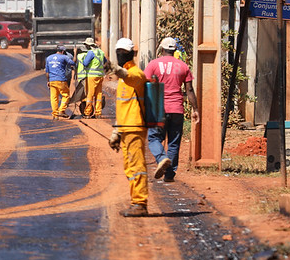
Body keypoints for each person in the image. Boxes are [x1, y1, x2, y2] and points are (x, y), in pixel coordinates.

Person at [144, 36, 201, 182]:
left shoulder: (153, 64)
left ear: (162, 49)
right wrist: (195, 109)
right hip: (177, 109)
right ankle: (169, 174)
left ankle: (162, 158)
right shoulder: (183, 66)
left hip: (158, 109)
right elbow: (189, 90)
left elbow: (145, 86)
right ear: (175, 50)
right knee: (174, 142)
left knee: (154, 138)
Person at [108, 37, 151, 217]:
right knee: (129, 168)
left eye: (123, 54)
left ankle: (140, 203)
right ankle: (136, 201)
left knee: (137, 166)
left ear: (131, 54)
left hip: (135, 126)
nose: (120, 56)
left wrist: (117, 70)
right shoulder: (122, 80)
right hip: (125, 127)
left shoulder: (136, 74)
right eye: (118, 53)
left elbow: (131, 77)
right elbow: (122, 107)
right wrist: (116, 131)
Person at [45, 44, 76, 119]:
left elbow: (47, 72)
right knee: (66, 95)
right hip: (61, 79)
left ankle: (55, 115)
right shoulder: (64, 57)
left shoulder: (49, 58)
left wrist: (48, 81)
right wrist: (75, 53)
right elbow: (73, 63)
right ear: (63, 51)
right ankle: (61, 110)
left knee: (54, 98)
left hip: (52, 80)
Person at [81, 37, 108, 118]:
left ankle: (88, 113)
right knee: (98, 94)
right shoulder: (101, 52)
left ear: (89, 45)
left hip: (92, 76)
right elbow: (105, 61)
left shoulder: (91, 52)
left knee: (90, 94)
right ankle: (98, 113)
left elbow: (85, 63)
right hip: (100, 75)